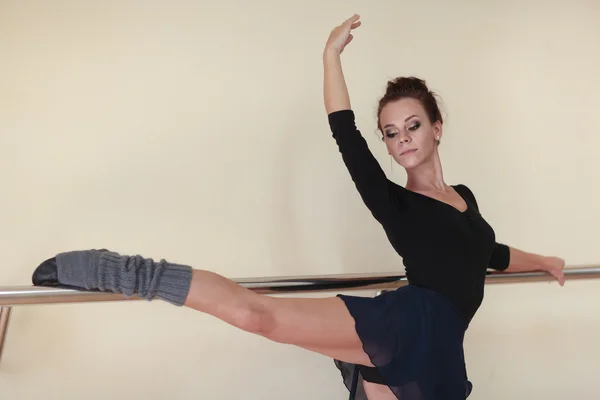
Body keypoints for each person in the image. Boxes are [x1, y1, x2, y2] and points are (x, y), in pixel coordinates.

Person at [31, 14, 566, 400]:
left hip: (446, 345)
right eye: (391, 133)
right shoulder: (395, 203)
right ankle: (118, 271)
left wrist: (544, 261)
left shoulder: (464, 199)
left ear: (437, 127)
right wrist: (330, 57)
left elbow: (490, 252)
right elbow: (344, 133)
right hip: (412, 322)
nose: (402, 138)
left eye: (413, 125)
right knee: (258, 315)